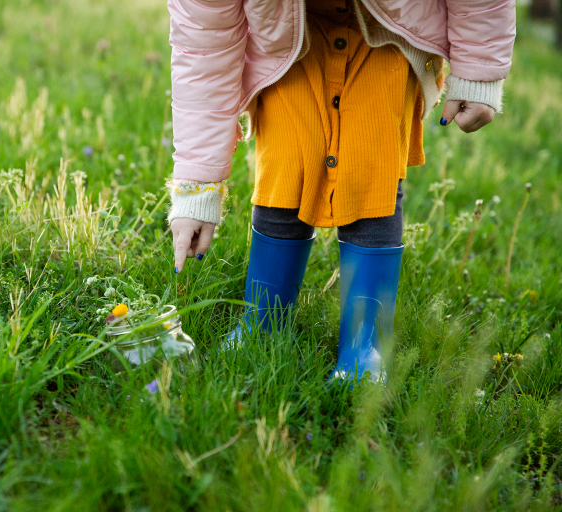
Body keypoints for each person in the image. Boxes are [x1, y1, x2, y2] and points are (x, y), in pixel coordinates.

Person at [166, 0, 516, 382]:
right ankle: (263, 321)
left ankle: (365, 344)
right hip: (287, 40)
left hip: (390, 32)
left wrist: (479, 69)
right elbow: (204, 40)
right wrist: (198, 183)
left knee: (371, 176)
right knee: (286, 167)